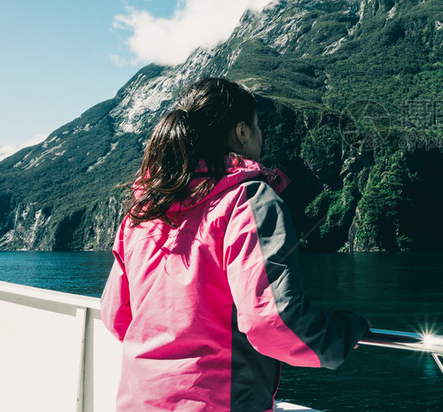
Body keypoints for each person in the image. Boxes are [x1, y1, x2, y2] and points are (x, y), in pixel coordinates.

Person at [101, 77, 369, 412]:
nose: (260, 135)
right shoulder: (246, 200)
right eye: (256, 126)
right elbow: (271, 321)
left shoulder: (143, 211)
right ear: (241, 133)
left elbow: (116, 318)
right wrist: (341, 333)